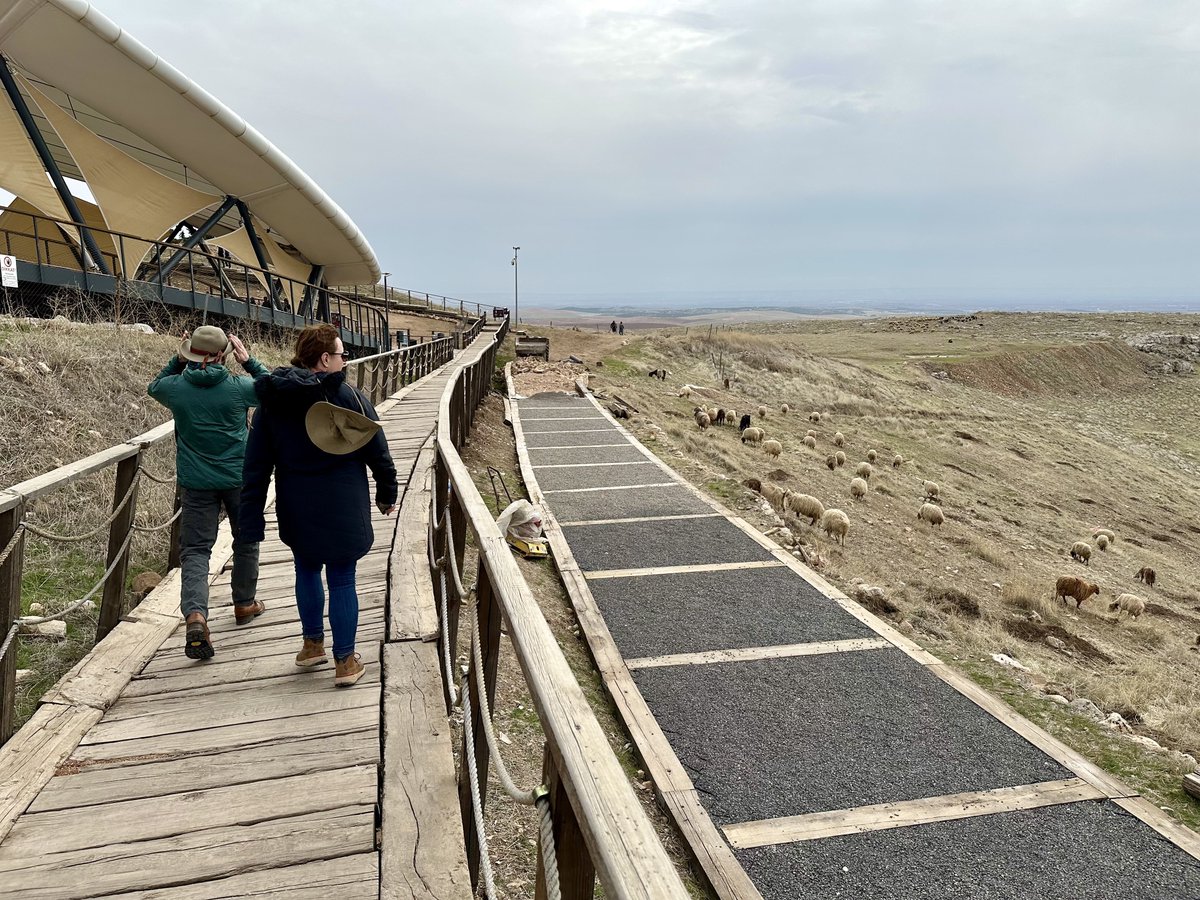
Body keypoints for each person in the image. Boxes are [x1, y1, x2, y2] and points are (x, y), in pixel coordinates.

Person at [240, 324, 398, 687]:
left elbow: (256, 466)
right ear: (325, 359)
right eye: (343, 355)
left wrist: (250, 520)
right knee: (342, 577)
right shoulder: (349, 398)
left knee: (306, 569)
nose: (345, 361)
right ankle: (345, 662)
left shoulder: (272, 402)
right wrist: (387, 494)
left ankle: (312, 645)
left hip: (296, 502)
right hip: (343, 503)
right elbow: (380, 454)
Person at [148, 325, 268, 660]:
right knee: (246, 540)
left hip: (196, 481)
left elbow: (153, 385)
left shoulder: (175, 388)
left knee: (196, 551)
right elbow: (273, 389)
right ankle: (244, 603)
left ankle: (196, 616)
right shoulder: (239, 387)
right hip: (237, 477)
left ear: (190, 354)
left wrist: (177, 359)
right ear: (222, 355)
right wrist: (249, 363)